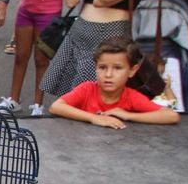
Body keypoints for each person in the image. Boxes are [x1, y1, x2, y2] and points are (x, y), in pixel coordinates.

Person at [48, 38, 180, 128]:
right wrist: (94, 118)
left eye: (117, 68)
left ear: (132, 71)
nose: (108, 75)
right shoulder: (87, 89)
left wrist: (128, 115)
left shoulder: (131, 97)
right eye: (102, 67)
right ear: (96, 67)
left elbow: (171, 116)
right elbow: (56, 107)